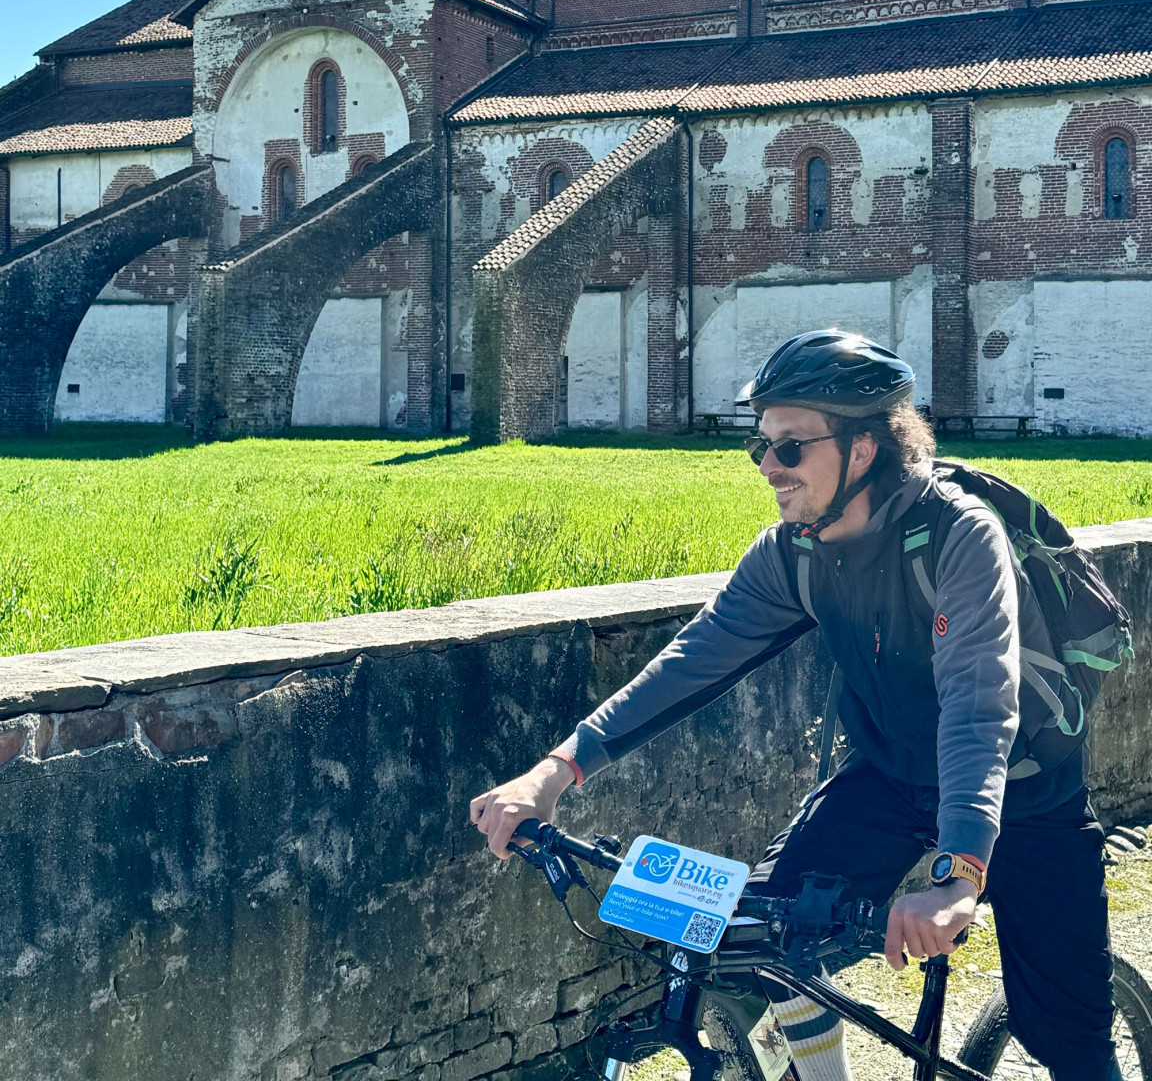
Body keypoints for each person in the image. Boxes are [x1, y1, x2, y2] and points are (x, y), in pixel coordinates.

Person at [471, 330, 1119, 1081]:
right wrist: (554, 772)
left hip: (1026, 788)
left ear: (865, 448)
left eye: (790, 448)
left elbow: (979, 707)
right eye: (761, 447)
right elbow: (692, 661)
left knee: (1072, 1044)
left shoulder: (958, 536)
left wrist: (958, 874)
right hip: (891, 775)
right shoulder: (795, 550)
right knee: (748, 943)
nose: (768, 468)